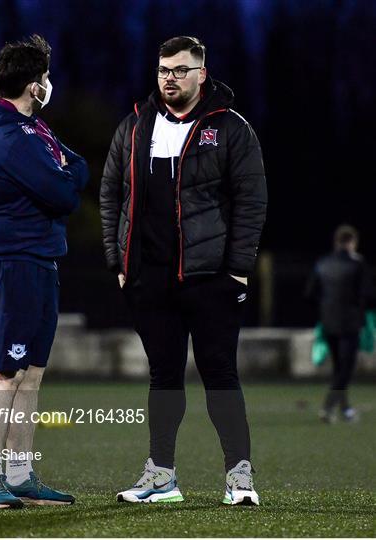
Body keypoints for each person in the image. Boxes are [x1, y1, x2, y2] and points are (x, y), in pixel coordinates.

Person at [100, 36, 267, 505]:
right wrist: (118, 262)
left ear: (201, 75)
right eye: (162, 70)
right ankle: (162, 477)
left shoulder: (230, 128)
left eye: (179, 69)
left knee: (220, 374)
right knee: (163, 376)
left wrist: (237, 269)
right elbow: (111, 191)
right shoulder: (135, 125)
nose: (169, 78)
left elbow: (252, 200)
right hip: (149, 279)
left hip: (211, 277)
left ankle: (239, 479)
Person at [0, 35, 88, 508]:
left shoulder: (33, 129)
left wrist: (62, 171)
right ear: (34, 86)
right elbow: (65, 195)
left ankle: (19, 475)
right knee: (5, 374)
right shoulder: (8, 137)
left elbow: (77, 167)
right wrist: (61, 174)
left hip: (38, 262)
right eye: (45, 77)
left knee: (32, 372)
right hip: (10, 265)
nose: (48, 84)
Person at [306, 225, 375, 423]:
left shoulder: (323, 263)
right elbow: (368, 295)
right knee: (345, 369)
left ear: (337, 242)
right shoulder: (358, 264)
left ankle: (345, 410)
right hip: (350, 323)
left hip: (328, 322)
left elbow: (309, 294)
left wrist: (325, 308)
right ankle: (328, 407)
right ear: (352, 242)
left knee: (338, 368)